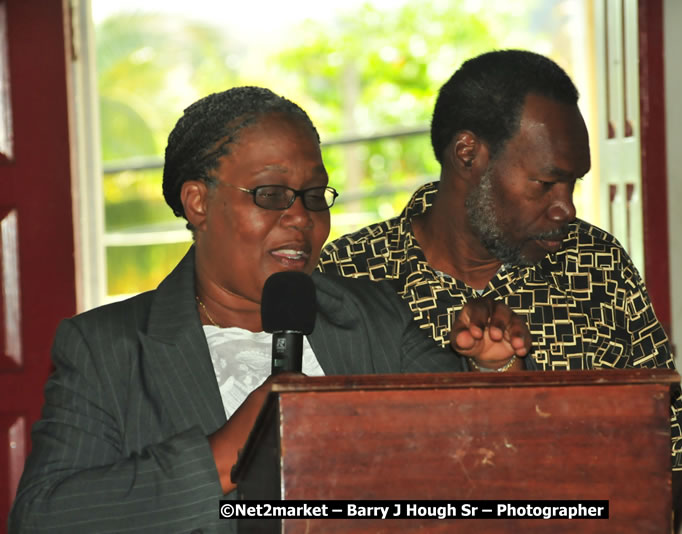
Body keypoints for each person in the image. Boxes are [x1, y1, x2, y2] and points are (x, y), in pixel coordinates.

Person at [9, 86, 531, 533]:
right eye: (271, 194)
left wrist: (496, 369)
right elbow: (44, 517)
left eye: (314, 195)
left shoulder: (373, 318)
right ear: (198, 203)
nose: (301, 217)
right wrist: (226, 454)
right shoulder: (109, 349)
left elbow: (478, 463)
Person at [318, 50, 682, 499]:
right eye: (545, 184)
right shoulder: (349, 274)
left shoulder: (597, 266)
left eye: (573, 184)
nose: (566, 208)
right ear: (468, 154)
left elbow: (665, 457)